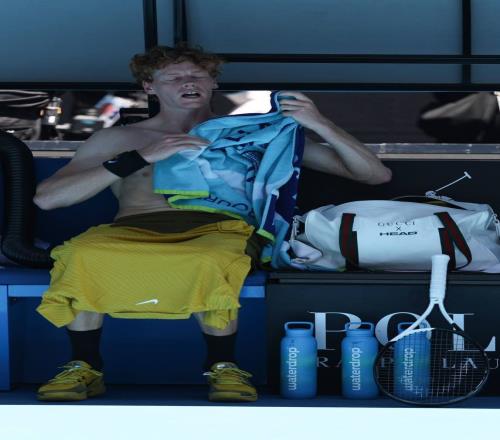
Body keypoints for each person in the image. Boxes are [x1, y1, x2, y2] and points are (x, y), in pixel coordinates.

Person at [33, 43, 392, 403]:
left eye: (197, 75)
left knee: (209, 259)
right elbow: (48, 198)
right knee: (80, 254)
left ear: (213, 83)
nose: (187, 82)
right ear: (149, 87)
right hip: (131, 229)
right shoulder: (119, 139)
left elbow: (375, 175)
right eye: (173, 77)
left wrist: (319, 123)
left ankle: (223, 366)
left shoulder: (255, 134)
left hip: (222, 231)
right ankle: (84, 366)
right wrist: (140, 157)